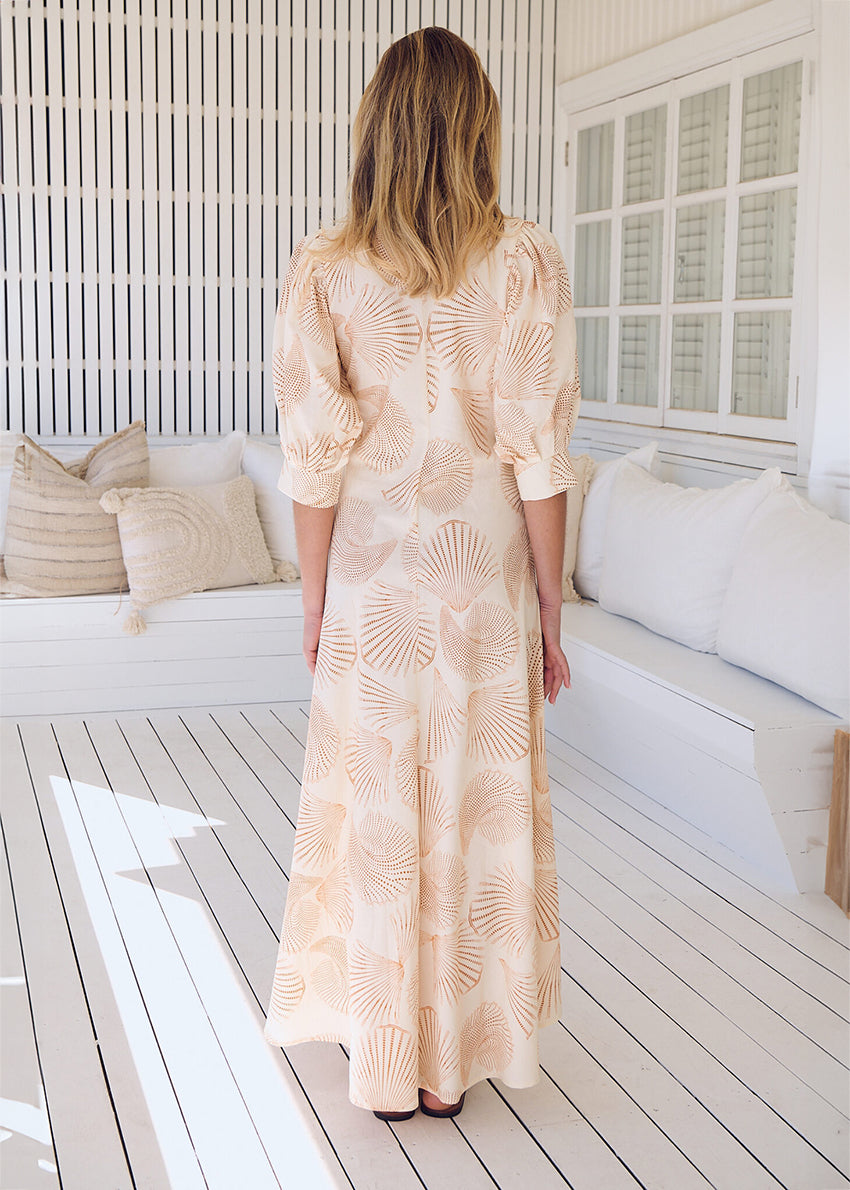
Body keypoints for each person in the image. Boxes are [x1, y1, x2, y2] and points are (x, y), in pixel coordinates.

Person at [264, 26, 580, 1123]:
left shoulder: (324, 269)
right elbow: (539, 455)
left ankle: (383, 1054)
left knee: (380, 814)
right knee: (468, 812)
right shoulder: (526, 260)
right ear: (478, 126)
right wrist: (551, 607)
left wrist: (313, 605)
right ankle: (448, 1062)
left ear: (376, 129)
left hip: (369, 590)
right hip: (484, 588)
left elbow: (313, 460)